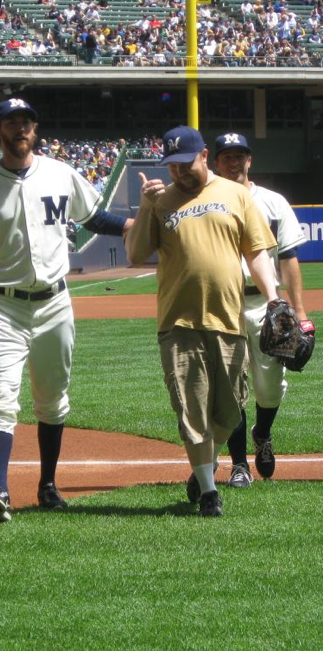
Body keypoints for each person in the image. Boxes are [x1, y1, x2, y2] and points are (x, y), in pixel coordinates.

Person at [0, 98, 133, 523]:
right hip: (4, 308)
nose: (20, 128)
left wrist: (130, 225)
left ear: (35, 129)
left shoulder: (60, 173)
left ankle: (48, 485)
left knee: (53, 400)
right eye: (11, 122)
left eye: (26, 121)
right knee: (0, 398)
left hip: (55, 304)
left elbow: (93, 218)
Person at [124, 125, 278, 517]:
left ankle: (201, 466)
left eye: (185, 163)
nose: (179, 172)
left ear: (204, 156)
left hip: (228, 317)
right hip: (179, 322)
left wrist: (274, 299)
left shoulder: (235, 194)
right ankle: (209, 491)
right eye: (172, 166)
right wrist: (145, 206)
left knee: (231, 410)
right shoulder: (160, 201)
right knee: (192, 408)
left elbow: (257, 251)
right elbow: (136, 254)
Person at [214, 132, 308, 487]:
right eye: (227, 156)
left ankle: (263, 433)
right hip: (224, 303)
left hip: (265, 306)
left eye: (239, 156)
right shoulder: (208, 201)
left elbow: (288, 257)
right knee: (230, 387)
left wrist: (300, 314)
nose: (234, 162)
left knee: (269, 388)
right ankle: (239, 464)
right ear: (216, 162)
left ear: (249, 160)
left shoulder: (272, 202)